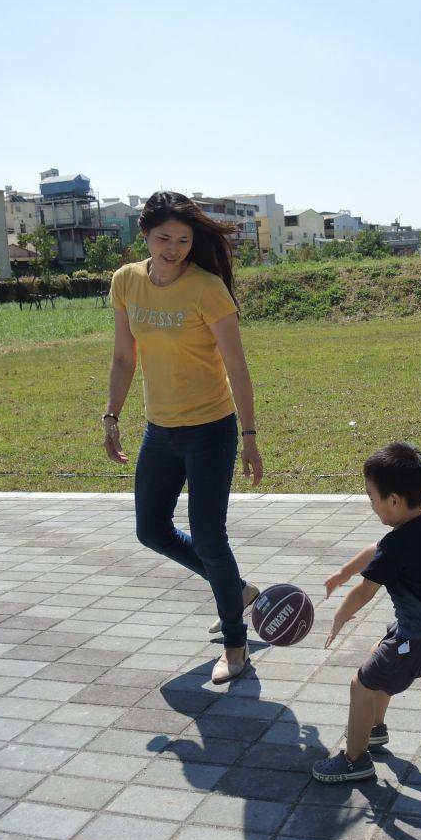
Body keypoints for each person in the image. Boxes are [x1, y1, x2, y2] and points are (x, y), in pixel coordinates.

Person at [102, 191, 262, 685]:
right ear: (144, 235)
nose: (173, 248)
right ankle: (235, 588)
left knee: (210, 535)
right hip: (161, 429)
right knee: (151, 529)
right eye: (164, 238)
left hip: (210, 428)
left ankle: (236, 646)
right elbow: (125, 357)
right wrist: (111, 416)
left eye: (184, 240)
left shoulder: (206, 288)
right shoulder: (127, 281)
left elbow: (236, 365)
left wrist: (250, 435)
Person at [313, 442, 421, 782]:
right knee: (380, 658)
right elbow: (375, 550)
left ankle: (354, 760)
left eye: (370, 497)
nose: (370, 504)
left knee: (360, 685)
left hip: (419, 639)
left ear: (393, 500)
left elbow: (366, 590)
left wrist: (339, 617)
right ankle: (374, 730)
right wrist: (344, 572)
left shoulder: (397, 546)